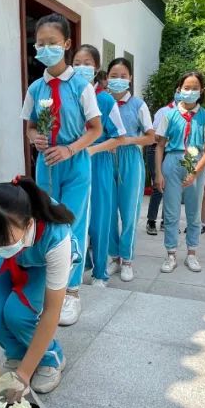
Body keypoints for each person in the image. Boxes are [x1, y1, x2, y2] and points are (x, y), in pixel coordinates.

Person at [21, 14, 104, 327]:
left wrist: (70, 149)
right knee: (45, 222)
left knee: (72, 223)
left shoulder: (81, 87)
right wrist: (35, 139)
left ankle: (71, 292)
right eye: (40, 44)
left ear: (67, 44)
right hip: (46, 165)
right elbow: (30, 127)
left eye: (52, 43)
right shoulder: (35, 88)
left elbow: (95, 129)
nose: (45, 48)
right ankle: (48, 285)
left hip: (75, 163)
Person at [0, 177, 74, 395]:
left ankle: (51, 358)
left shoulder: (56, 237)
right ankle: (17, 354)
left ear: (28, 225)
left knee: (18, 314)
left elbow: (52, 311)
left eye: (3, 241)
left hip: (43, 263)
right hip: (15, 258)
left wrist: (24, 375)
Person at [154, 72, 205, 273]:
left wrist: (194, 172)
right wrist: (158, 173)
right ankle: (171, 254)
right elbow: (159, 146)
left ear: (202, 91)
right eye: (186, 87)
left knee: (194, 213)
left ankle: (192, 253)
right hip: (172, 160)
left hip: (194, 160)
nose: (190, 91)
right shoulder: (169, 115)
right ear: (179, 89)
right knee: (171, 212)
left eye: (195, 88)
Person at [73, 45, 127, 287]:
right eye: (76, 63)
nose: (81, 68)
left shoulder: (105, 100)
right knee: (75, 216)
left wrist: (92, 149)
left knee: (100, 218)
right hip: (73, 161)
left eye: (87, 64)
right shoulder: (69, 94)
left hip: (98, 162)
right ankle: (80, 263)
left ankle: (100, 272)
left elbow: (119, 137)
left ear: (96, 68)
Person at [105, 58, 156, 282]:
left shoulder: (138, 105)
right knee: (107, 211)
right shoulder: (101, 102)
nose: (118, 80)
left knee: (129, 212)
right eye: (113, 76)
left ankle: (127, 259)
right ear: (107, 78)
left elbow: (150, 137)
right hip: (105, 159)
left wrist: (126, 140)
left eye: (123, 76)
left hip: (130, 159)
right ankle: (114, 257)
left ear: (130, 78)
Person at [146, 98, 177, 235]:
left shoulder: (189, 115)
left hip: (172, 151)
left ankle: (166, 221)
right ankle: (151, 221)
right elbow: (155, 135)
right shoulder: (164, 111)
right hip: (156, 149)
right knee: (158, 186)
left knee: (171, 187)